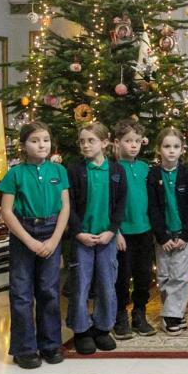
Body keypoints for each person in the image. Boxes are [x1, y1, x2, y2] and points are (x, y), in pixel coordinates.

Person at [0, 122, 70, 370]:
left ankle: (50, 344)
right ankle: (25, 349)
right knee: (21, 292)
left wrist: (55, 239)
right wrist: (28, 240)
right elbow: (7, 211)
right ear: (23, 146)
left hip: (51, 232)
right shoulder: (15, 174)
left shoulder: (59, 171)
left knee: (49, 290)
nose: (42, 145)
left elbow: (65, 207)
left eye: (46, 140)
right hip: (23, 233)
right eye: (35, 141)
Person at [66, 122, 126, 355]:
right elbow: (69, 205)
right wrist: (78, 232)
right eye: (82, 141)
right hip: (82, 237)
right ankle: (81, 330)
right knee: (80, 285)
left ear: (105, 142)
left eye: (91, 140)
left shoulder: (116, 171)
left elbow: (120, 204)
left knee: (106, 284)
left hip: (106, 238)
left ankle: (102, 328)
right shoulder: (75, 170)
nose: (85, 145)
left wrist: (112, 230)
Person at [146, 127, 188, 334]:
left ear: (182, 149)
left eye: (176, 146)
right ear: (159, 149)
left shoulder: (187, 173)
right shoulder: (153, 175)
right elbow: (153, 207)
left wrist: (187, 234)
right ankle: (174, 311)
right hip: (164, 236)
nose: (171, 150)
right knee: (165, 275)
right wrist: (162, 235)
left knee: (181, 277)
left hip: (183, 235)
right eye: (167, 146)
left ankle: (171, 315)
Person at [111, 120, 155, 340]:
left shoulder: (144, 168)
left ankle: (140, 313)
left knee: (143, 275)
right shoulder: (113, 170)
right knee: (122, 276)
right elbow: (110, 203)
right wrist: (116, 231)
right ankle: (120, 315)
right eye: (128, 141)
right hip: (123, 233)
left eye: (137, 141)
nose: (133, 145)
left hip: (144, 230)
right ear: (117, 143)